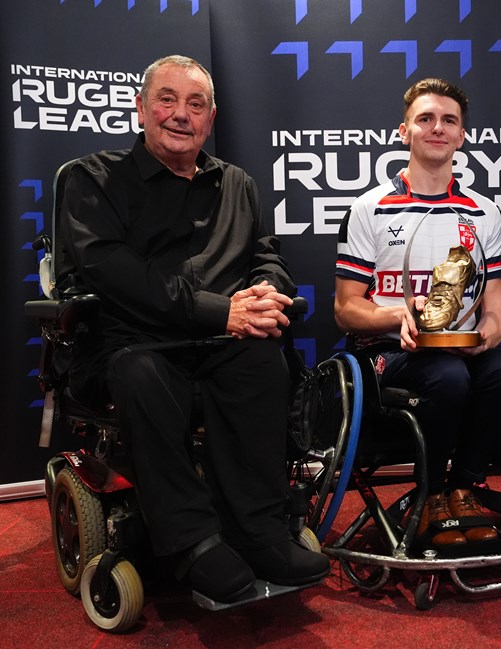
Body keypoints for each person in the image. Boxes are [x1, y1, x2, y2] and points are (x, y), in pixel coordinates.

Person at [59, 55, 329, 603]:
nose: (180, 114)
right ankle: (193, 543)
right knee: (141, 372)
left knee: (262, 358)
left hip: (222, 342)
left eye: (196, 104)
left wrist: (266, 291)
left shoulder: (238, 185)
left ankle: (258, 532)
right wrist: (217, 310)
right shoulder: (92, 179)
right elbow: (115, 273)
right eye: (167, 99)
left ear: (211, 118)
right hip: (134, 341)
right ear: (140, 109)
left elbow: (264, 254)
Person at [335, 78, 501, 548]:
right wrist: (395, 316)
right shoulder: (370, 208)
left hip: (459, 349)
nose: (437, 128)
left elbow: (497, 305)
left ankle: (463, 491)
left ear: (461, 136)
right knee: (449, 376)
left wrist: (489, 331)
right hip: (389, 351)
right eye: (425, 119)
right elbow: (345, 309)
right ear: (405, 131)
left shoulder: (483, 212)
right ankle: (431, 496)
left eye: (449, 120)